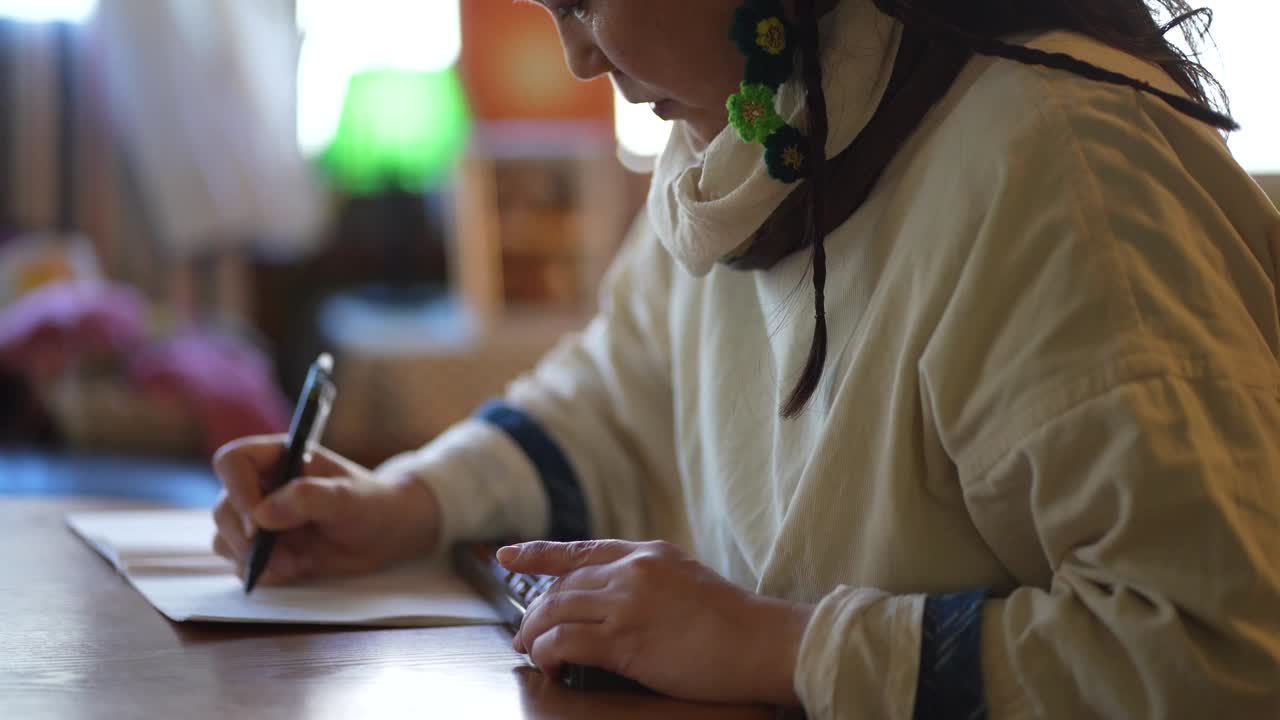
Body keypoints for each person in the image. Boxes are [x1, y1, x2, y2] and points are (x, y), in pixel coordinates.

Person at [211, 0, 1280, 716]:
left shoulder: (1058, 165)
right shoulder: (757, 132)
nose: (579, 55)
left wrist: (779, 646)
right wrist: (404, 503)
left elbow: (1224, 649)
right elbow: (618, 389)